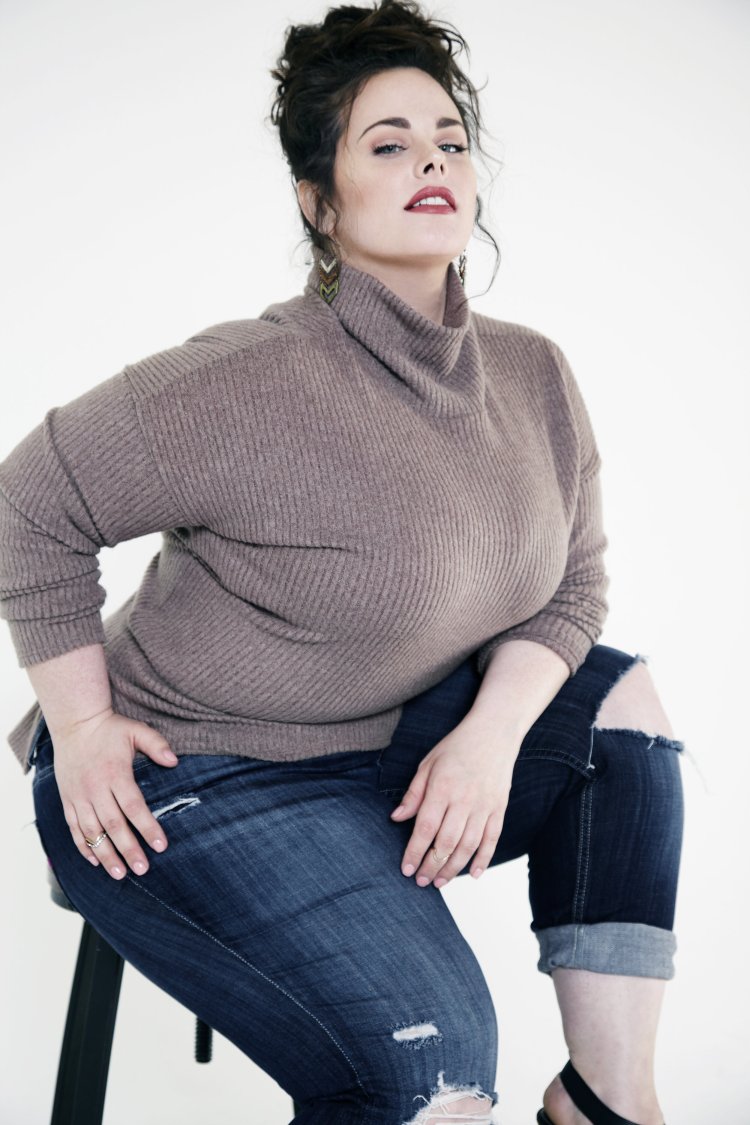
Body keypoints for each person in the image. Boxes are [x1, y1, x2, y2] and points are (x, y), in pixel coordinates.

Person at [0, 1, 685, 1122]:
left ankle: (607, 1099)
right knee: (435, 1079)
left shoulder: (533, 376)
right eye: (389, 143)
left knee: (620, 705)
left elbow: (574, 585)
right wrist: (77, 727)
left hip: (388, 744)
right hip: (189, 773)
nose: (433, 161)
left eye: (451, 140)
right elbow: (29, 500)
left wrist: (489, 739)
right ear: (319, 202)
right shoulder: (243, 381)